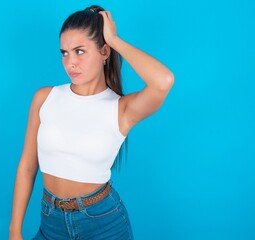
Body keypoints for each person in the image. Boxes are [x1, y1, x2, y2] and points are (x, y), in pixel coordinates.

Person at [9, 5, 174, 240]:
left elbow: (163, 81)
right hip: (50, 221)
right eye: (64, 52)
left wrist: (114, 40)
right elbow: (27, 167)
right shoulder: (45, 98)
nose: (70, 62)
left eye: (79, 51)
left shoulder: (122, 109)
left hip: (103, 224)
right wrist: (14, 230)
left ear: (104, 51)